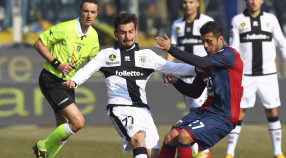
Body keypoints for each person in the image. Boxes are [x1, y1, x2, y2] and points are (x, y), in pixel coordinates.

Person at [62, 13, 197, 158]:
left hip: (143, 110)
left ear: (136, 32)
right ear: (116, 34)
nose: (128, 36)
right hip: (119, 107)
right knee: (138, 139)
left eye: (131, 32)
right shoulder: (106, 55)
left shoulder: (147, 56)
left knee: (154, 154)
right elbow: (87, 70)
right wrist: (74, 81)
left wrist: (201, 69)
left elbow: (176, 68)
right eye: (123, 32)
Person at [155, 21, 244, 158]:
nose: (205, 46)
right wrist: (176, 81)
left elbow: (200, 62)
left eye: (209, 41)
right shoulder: (208, 62)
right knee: (170, 137)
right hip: (207, 111)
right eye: (203, 41)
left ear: (220, 39)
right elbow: (194, 92)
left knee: (184, 136)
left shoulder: (229, 54)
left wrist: (171, 49)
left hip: (225, 115)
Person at [224, 1, 286, 158]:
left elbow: (282, 40)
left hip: (268, 75)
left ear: (262, 1)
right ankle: (229, 153)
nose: (253, 2)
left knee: (272, 110)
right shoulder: (237, 20)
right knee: (240, 112)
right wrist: (230, 65)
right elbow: (234, 46)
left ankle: (278, 152)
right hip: (246, 75)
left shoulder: (271, 19)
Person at [32, 0, 99, 157]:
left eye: (93, 12)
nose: (89, 15)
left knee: (64, 131)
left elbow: (93, 61)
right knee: (78, 122)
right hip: (51, 79)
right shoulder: (65, 28)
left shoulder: (94, 36)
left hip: (68, 84)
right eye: (86, 11)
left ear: (97, 14)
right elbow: (39, 44)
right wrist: (57, 64)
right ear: (79, 11)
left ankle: (45, 156)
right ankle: (42, 145)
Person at [164, 0, 214, 157]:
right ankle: (198, 148)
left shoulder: (206, 21)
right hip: (185, 74)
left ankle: (203, 150)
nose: (188, 5)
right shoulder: (177, 24)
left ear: (198, 3)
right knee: (193, 110)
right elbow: (172, 48)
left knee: (197, 110)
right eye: (185, 2)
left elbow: (213, 46)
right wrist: (167, 68)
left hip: (202, 73)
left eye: (191, 2)